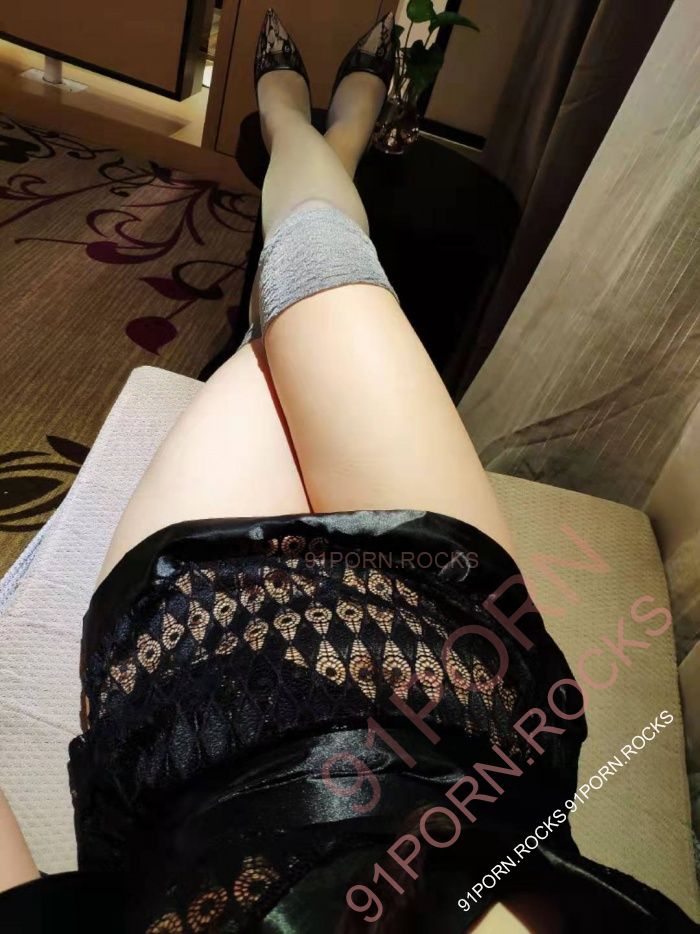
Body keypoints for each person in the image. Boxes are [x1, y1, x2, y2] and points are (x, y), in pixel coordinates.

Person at [0, 10, 695, 933]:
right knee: (315, 264)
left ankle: (301, 123)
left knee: (285, 312)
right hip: (455, 676)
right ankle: (329, 130)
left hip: (200, 679)